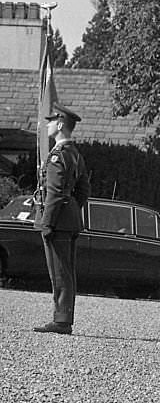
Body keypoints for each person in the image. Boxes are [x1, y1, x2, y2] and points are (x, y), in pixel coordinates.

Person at [32, 103, 90, 335]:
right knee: (65, 270)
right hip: (69, 219)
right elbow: (83, 190)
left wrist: (48, 222)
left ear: (60, 124)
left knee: (59, 271)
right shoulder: (74, 154)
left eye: (51, 121)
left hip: (58, 221)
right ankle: (63, 317)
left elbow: (54, 193)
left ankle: (62, 320)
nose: (47, 125)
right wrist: (72, 209)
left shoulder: (58, 156)